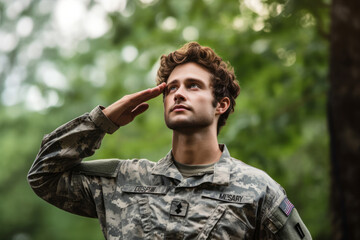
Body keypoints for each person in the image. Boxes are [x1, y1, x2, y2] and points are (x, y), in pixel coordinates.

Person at [28, 42, 311, 239]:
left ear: (221, 104)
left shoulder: (259, 191)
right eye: (171, 87)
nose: (178, 93)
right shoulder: (124, 180)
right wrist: (102, 121)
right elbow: (43, 176)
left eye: (193, 85)